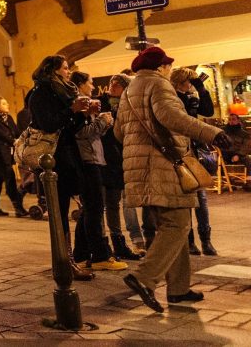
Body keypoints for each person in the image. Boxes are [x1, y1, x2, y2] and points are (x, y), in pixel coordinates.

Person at [116, 47, 232, 313]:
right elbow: (172, 117)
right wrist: (211, 133)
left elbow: (119, 132)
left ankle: (178, 289)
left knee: (170, 226)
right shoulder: (159, 85)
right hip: (164, 166)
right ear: (161, 66)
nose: (169, 70)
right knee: (177, 225)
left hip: (140, 170)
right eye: (168, 65)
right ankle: (144, 278)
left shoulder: (129, 91)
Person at [27, 55, 94, 281]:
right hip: (53, 160)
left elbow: (70, 127)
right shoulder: (40, 93)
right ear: (53, 70)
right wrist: (71, 110)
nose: (68, 72)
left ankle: (69, 260)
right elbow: (48, 124)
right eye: (65, 68)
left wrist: (84, 113)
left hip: (67, 157)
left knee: (66, 209)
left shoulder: (64, 91)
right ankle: (65, 263)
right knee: (59, 212)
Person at [70, 71, 127, 271]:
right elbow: (81, 133)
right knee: (93, 208)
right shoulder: (78, 104)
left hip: (94, 158)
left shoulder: (86, 103)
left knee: (90, 210)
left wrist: (104, 123)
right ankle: (99, 255)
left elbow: (91, 133)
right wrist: (102, 122)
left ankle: (81, 253)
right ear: (81, 84)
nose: (93, 87)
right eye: (90, 82)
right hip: (87, 160)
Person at [170, 67, 217, 256]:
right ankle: (190, 241)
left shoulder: (192, 97)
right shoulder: (174, 99)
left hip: (195, 151)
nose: (190, 86)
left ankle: (206, 240)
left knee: (201, 198)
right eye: (189, 82)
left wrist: (201, 89)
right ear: (181, 82)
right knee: (189, 198)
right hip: (181, 152)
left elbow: (208, 111)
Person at [99, 74, 143, 261]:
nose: (112, 86)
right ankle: (102, 244)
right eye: (111, 83)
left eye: (117, 84)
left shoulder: (128, 104)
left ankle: (118, 242)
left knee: (113, 202)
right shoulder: (100, 103)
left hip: (120, 159)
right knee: (100, 204)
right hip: (102, 158)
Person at [0, 97, 27, 218]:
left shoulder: (8, 117)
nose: (7, 104)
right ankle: (17, 206)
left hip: (7, 153)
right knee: (10, 177)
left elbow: (16, 131)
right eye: (3, 103)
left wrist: (23, 138)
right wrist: (13, 141)